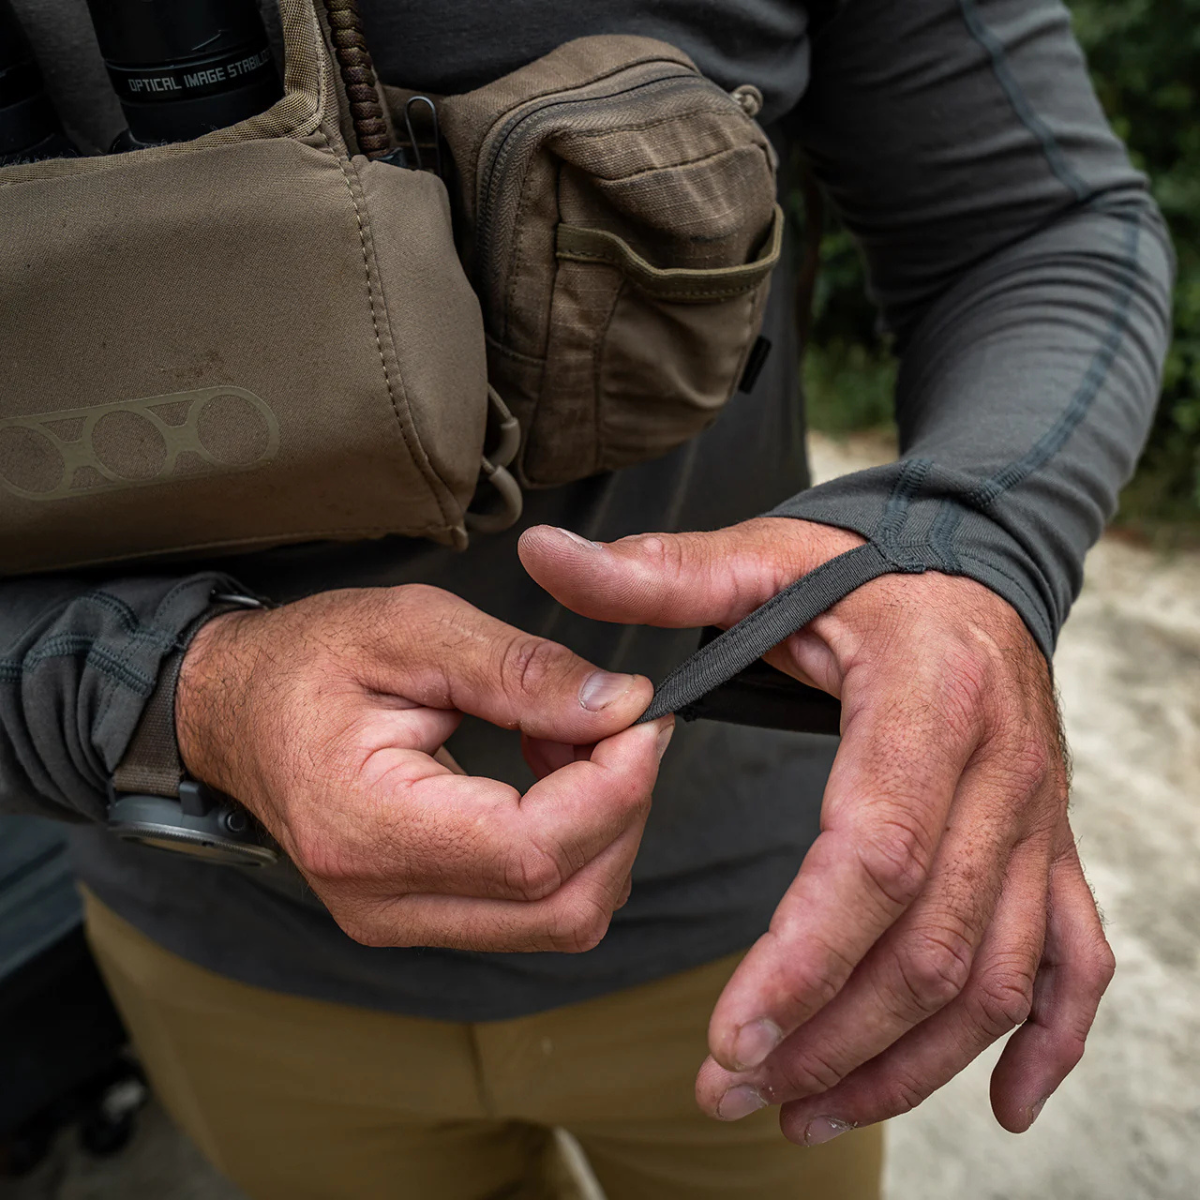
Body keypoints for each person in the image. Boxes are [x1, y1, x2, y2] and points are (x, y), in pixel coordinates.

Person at [0, 0, 1173, 1197]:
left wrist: (970, 545)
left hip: (760, 952)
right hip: (227, 974)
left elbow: (1043, 224)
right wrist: (185, 696)